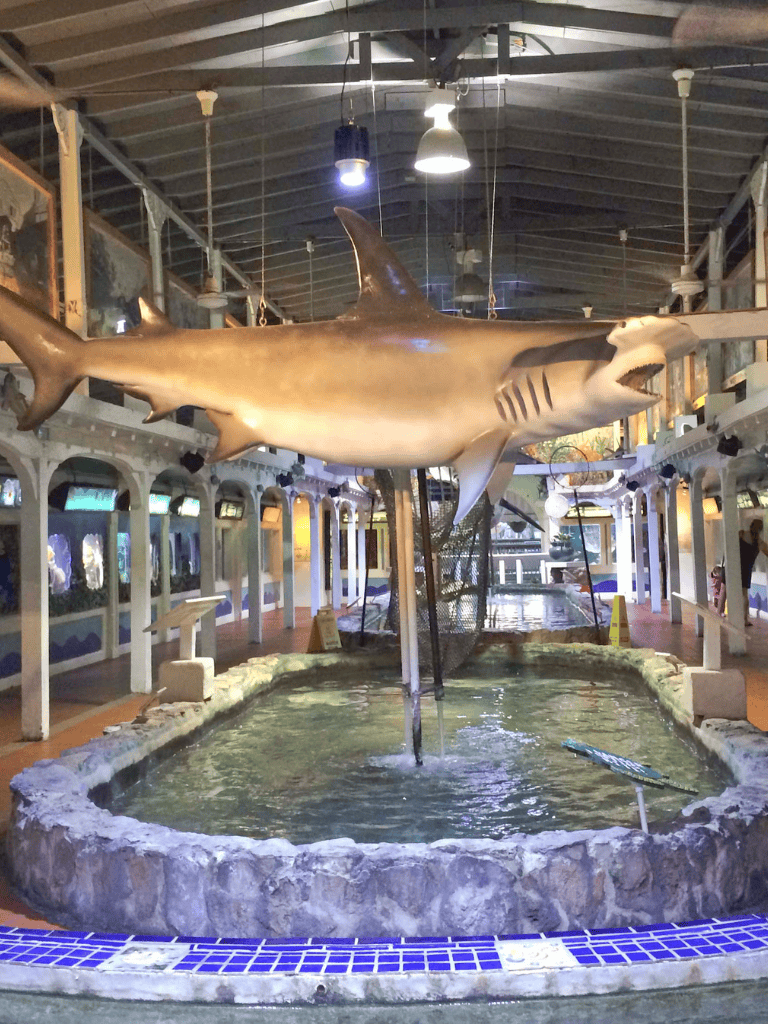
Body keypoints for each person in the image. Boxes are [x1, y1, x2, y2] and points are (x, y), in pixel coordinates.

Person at [738, 518, 768, 627]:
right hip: (747, 569)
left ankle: (734, 616)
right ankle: (744, 619)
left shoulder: (741, 534)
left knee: (733, 592)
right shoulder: (759, 542)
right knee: (744, 594)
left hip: (736, 567)